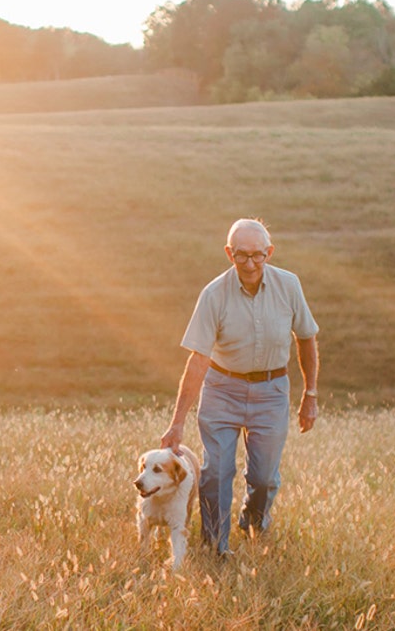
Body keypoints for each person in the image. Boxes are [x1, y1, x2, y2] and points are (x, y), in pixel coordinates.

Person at [160, 218, 320, 557]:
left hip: (271, 390)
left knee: (264, 478)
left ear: (270, 252)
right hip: (222, 389)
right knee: (216, 472)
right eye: (241, 256)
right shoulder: (213, 294)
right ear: (229, 253)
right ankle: (217, 545)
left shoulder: (289, 285)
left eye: (258, 256)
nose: (250, 264)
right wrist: (177, 422)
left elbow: (306, 338)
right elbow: (198, 359)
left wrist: (310, 394)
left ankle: (253, 522)